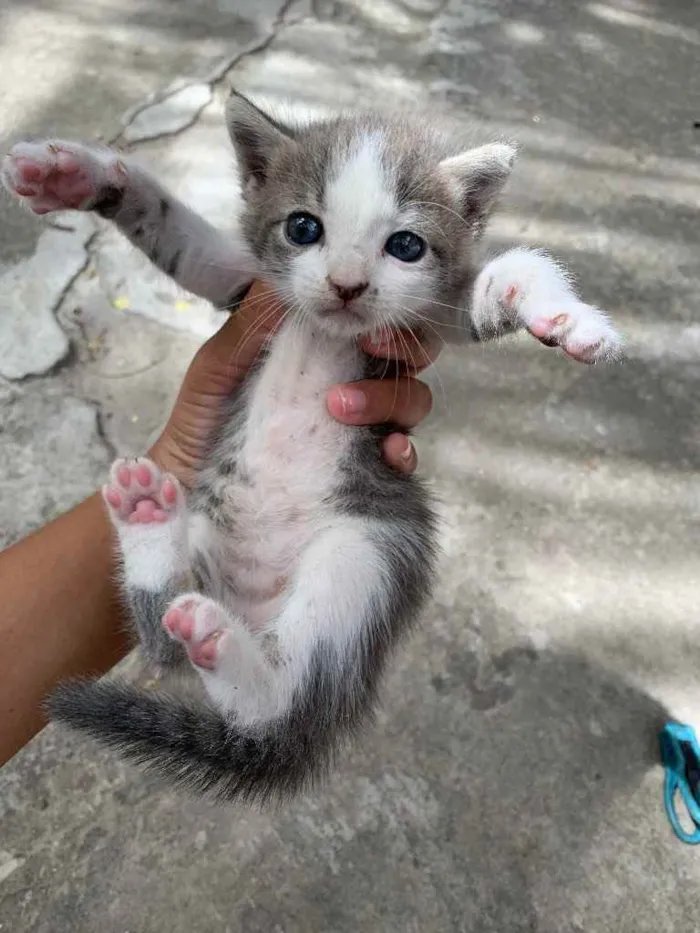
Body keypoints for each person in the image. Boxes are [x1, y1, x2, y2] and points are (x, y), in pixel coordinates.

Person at [0, 283, 437, 766]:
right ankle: (243, 681)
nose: (346, 276)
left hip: (307, 523)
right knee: (205, 558)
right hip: (239, 516)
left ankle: (237, 668)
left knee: (352, 552)